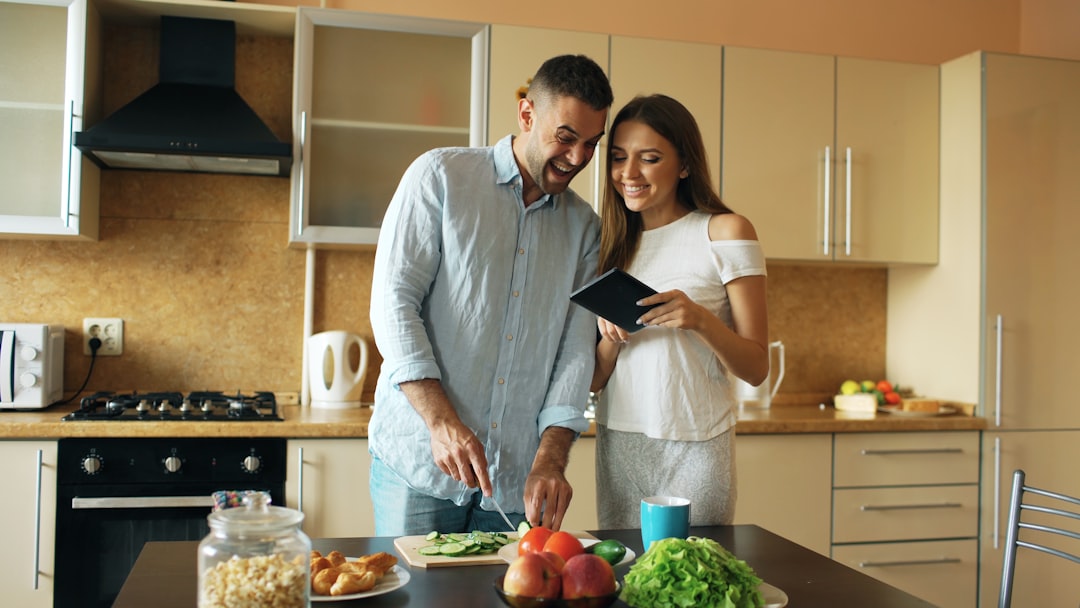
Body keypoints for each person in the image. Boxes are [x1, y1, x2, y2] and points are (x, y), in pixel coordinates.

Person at [367, 54, 614, 536]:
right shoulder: (439, 177)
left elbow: (574, 354)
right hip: (419, 470)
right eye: (565, 137)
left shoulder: (585, 229)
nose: (579, 158)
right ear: (527, 114)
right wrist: (440, 423)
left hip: (514, 485)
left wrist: (550, 460)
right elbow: (394, 306)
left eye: (591, 143)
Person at [590, 94, 770, 528]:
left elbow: (757, 367)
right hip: (621, 443)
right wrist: (612, 341)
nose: (628, 174)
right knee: (630, 581)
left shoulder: (725, 231)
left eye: (648, 158)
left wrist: (700, 320)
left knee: (691, 582)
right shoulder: (610, 244)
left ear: (685, 164)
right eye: (618, 158)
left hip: (698, 443)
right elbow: (594, 379)